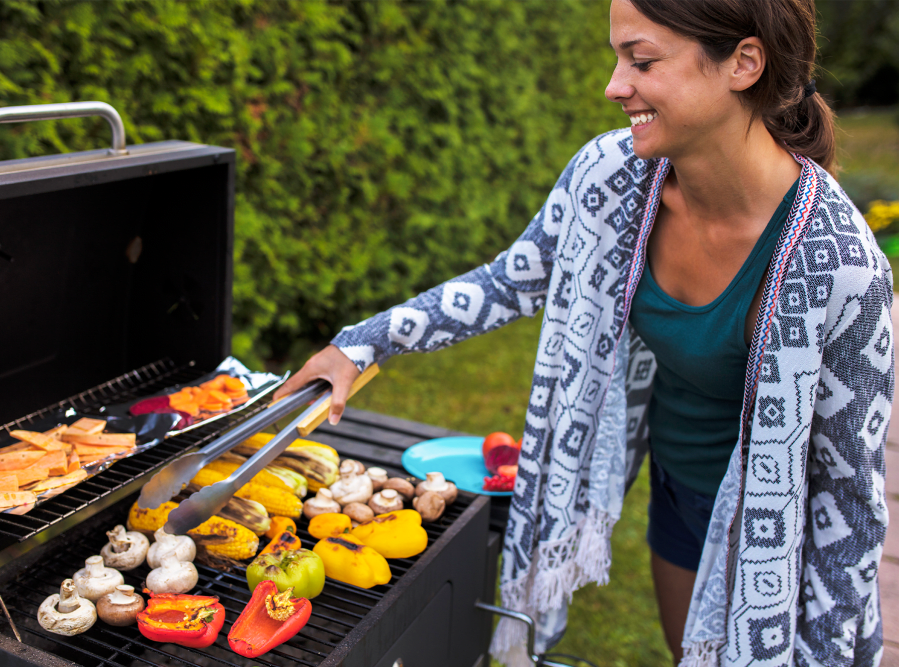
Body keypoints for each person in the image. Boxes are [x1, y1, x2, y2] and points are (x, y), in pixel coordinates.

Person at [274, 0, 892, 664]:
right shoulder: (613, 175)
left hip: (780, 539)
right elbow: (509, 280)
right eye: (616, 56)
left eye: (642, 59)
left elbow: (850, 496)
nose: (614, 85)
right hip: (679, 503)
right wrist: (361, 341)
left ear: (743, 62)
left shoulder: (840, 266)